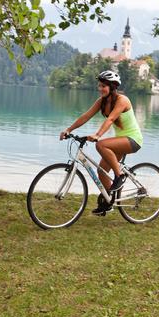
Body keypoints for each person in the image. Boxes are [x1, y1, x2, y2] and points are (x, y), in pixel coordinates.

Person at [59, 70, 143, 215]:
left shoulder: (122, 100)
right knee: (101, 171)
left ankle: (119, 177)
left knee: (101, 144)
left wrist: (98, 135)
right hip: (119, 141)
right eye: (99, 86)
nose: (100, 89)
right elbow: (86, 116)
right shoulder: (102, 102)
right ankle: (109, 202)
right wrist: (69, 129)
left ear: (112, 87)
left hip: (133, 140)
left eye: (103, 86)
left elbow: (110, 119)